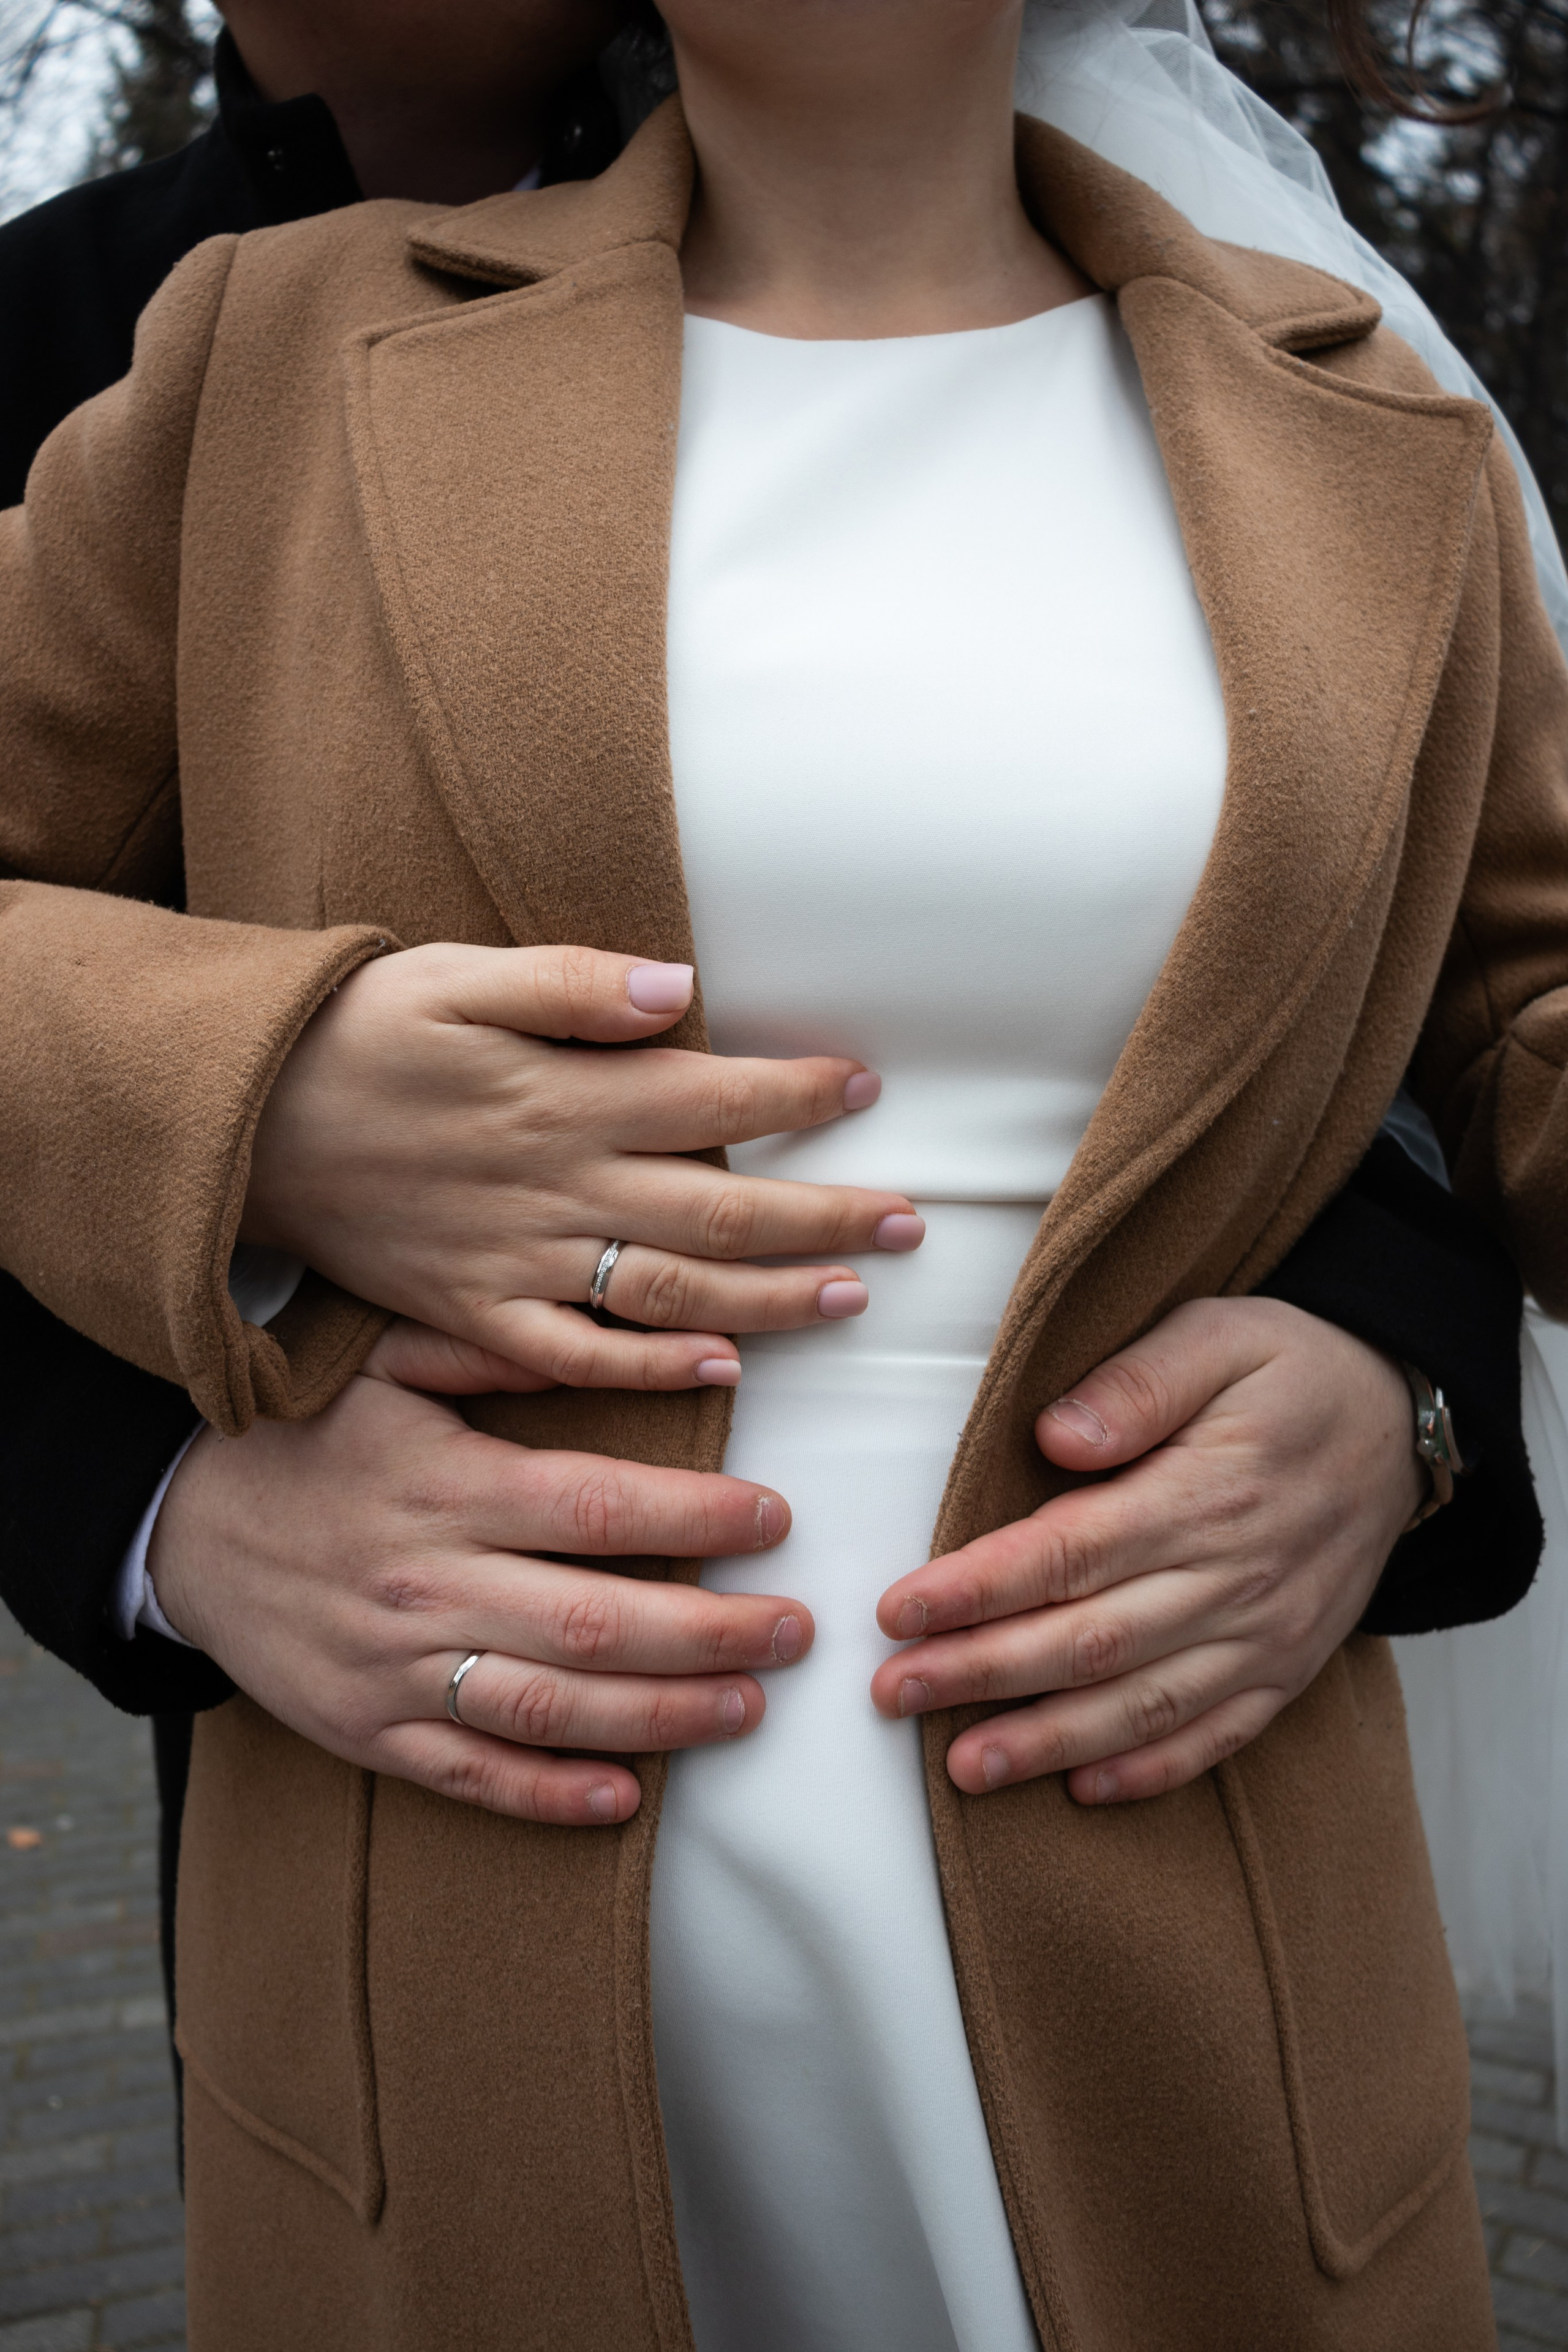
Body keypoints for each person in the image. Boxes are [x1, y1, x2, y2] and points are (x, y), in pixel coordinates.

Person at [0, 0, 1561, 2344]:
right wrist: (251, 1087)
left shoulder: (1373, 434)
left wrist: (1414, 1399)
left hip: (1188, 1992)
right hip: (441, 2012)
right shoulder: (271, 352)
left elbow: (1519, 1031)